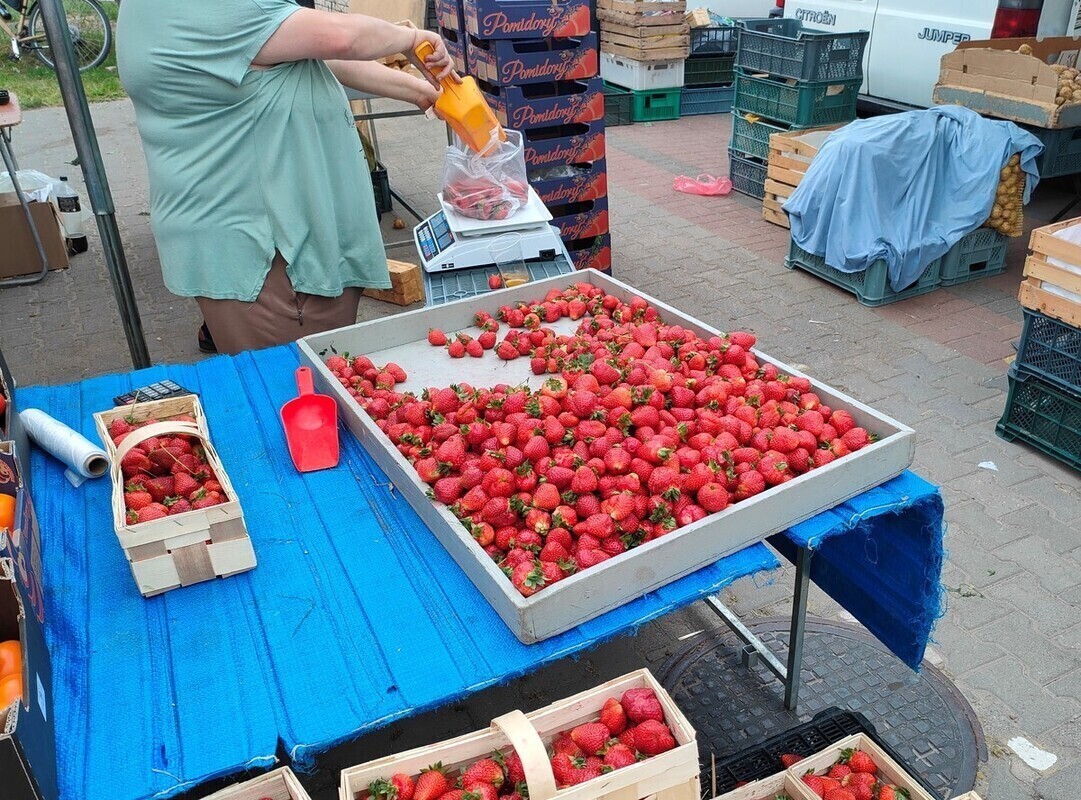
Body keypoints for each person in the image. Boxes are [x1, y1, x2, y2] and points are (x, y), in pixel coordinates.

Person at [116, 1, 454, 355]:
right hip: (272, 254)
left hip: (238, 235)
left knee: (291, 383)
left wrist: (418, 91)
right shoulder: (216, 8)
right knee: (300, 384)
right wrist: (413, 37)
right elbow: (340, 38)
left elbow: (308, 52)